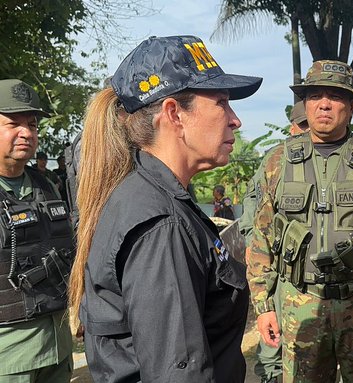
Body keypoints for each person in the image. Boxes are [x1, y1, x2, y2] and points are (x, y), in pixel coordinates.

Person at [68, 35, 262, 382]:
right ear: (174, 114)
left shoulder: (153, 198)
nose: (235, 120)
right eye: (221, 102)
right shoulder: (162, 223)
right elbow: (178, 373)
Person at [247, 60, 353, 382]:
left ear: (352, 105)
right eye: (314, 95)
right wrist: (263, 305)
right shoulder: (277, 161)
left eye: (335, 96)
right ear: (305, 103)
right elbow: (261, 239)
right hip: (301, 305)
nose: (323, 104)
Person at [0, 79, 74, 382]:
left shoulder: (48, 186)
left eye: (32, 124)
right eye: (13, 123)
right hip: (9, 359)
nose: (26, 133)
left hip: (58, 348)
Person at [246, 102, 311, 383]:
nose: (308, 132)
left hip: (307, 271)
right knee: (273, 339)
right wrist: (254, 243)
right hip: (274, 263)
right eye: (303, 126)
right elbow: (256, 208)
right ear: (292, 128)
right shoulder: (276, 159)